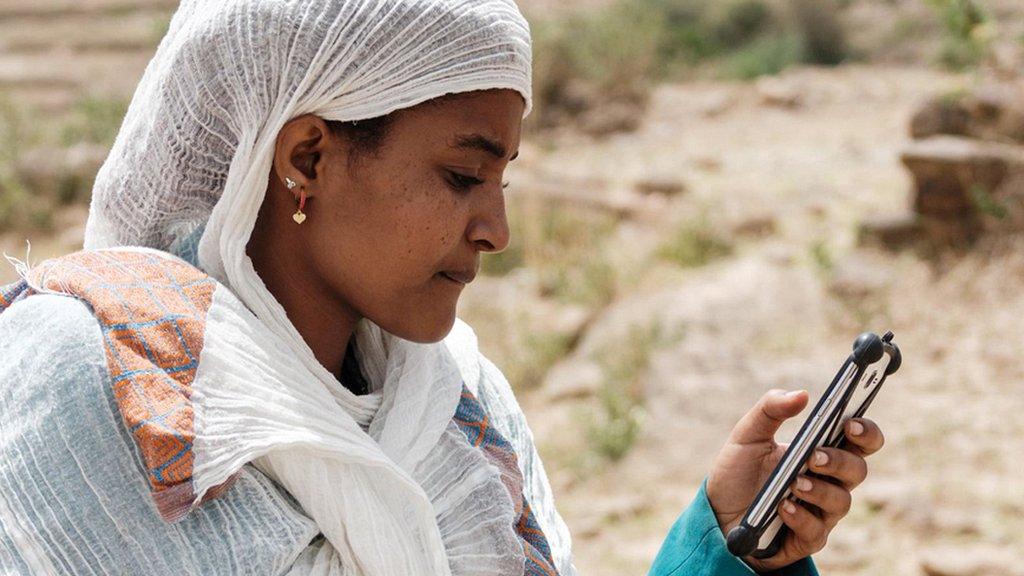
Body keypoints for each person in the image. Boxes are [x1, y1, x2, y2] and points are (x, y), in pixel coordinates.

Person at [0, 1, 884, 574]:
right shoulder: (90, 382)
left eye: (506, 181)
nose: (497, 229)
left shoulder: (456, 404)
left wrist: (728, 543)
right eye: (464, 176)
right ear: (307, 156)